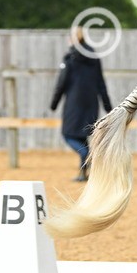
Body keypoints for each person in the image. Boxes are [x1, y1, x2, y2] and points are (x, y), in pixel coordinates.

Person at [50, 29, 112, 181]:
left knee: (68, 134)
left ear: (72, 40)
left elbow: (61, 83)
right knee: (83, 135)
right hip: (91, 102)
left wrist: (54, 103)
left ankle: (86, 156)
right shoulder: (94, 58)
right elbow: (100, 82)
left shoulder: (69, 58)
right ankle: (83, 173)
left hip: (74, 103)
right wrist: (107, 105)